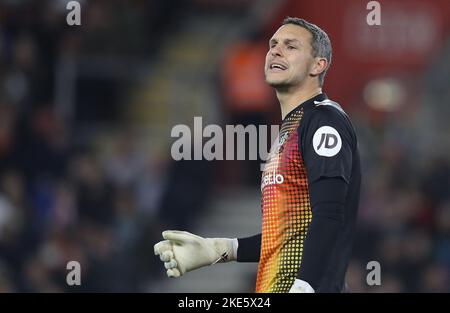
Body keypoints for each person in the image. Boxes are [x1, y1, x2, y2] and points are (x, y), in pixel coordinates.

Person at [154, 17, 361, 293]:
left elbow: (330, 215)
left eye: (291, 46)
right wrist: (220, 249)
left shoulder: (323, 121)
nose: (275, 50)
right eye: (273, 44)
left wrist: (305, 285)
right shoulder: (288, 133)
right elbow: (291, 236)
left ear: (317, 65)